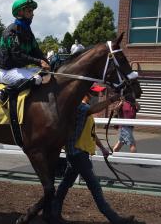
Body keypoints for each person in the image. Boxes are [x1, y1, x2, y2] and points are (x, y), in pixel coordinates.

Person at [53, 86, 134, 224]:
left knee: (65, 184)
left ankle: (53, 213)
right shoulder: (79, 107)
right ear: (86, 93)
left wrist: (102, 148)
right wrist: (112, 99)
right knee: (95, 186)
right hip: (77, 153)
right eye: (95, 92)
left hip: (79, 153)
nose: (97, 94)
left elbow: (91, 133)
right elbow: (93, 109)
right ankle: (115, 219)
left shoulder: (85, 109)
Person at [0, 0, 50, 103]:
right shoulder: (11, 31)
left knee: (46, 74)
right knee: (36, 79)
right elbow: (18, 56)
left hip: (21, 70)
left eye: (32, 11)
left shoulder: (27, 31)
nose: (33, 14)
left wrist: (47, 62)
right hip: (7, 72)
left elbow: (36, 51)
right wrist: (39, 62)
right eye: (29, 11)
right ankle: (4, 92)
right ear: (20, 12)